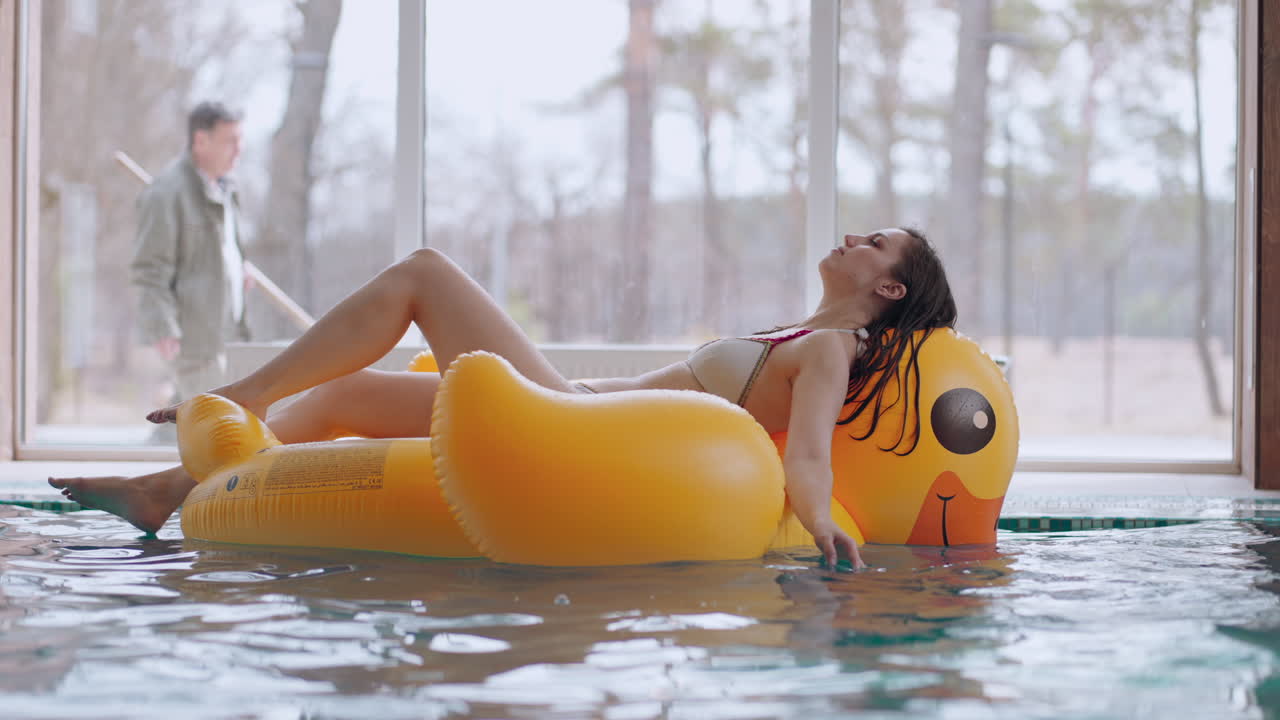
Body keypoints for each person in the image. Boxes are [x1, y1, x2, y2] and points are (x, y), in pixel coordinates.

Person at [52, 228, 956, 570]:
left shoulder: (837, 345)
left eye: (875, 242)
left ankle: (236, 395)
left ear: (887, 290)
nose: (852, 235)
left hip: (580, 422)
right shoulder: (798, 333)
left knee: (425, 274)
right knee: (349, 396)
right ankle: (165, 489)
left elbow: (806, 454)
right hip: (589, 404)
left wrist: (824, 535)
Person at [131, 101, 250, 441]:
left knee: (195, 415)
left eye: (240, 141)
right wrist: (162, 325)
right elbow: (149, 267)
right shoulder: (167, 194)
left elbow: (224, 251)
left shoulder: (226, 189)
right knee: (207, 425)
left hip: (226, 332)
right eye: (230, 141)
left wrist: (238, 272)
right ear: (201, 141)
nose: (238, 150)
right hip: (194, 335)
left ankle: (158, 473)